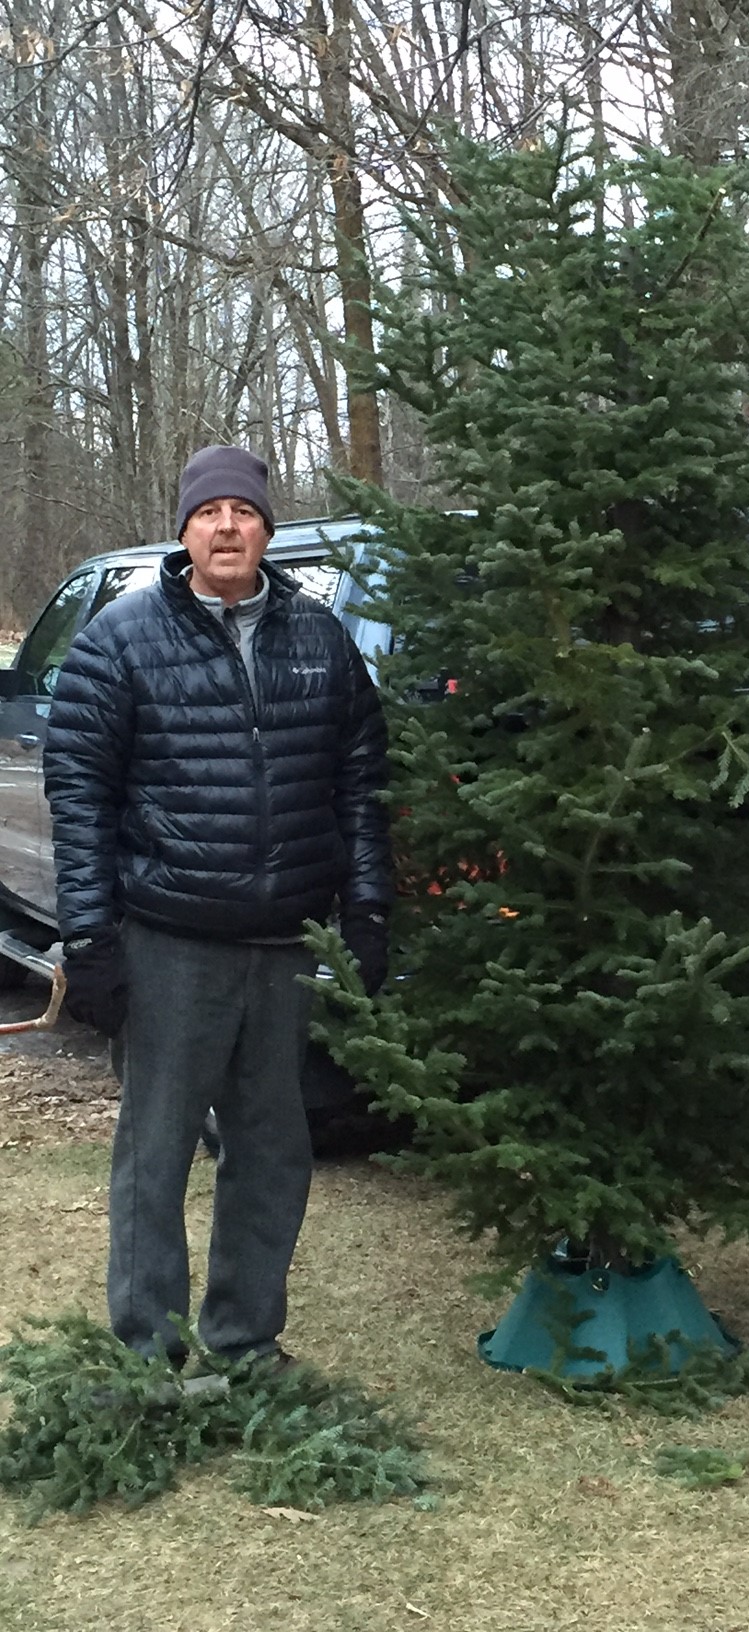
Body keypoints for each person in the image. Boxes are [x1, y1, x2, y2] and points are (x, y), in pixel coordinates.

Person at [44, 446, 392, 1368]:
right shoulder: (120, 639)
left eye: (244, 511)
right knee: (154, 1157)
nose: (227, 526)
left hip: (283, 946)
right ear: (185, 529)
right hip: (170, 940)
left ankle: (246, 1340)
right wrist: (90, 941)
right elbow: (79, 797)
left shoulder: (318, 639)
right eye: (209, 512)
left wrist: (366, 909)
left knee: (274, 1152)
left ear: (267, 529)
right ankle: (147, 1351)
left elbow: (360, 782)